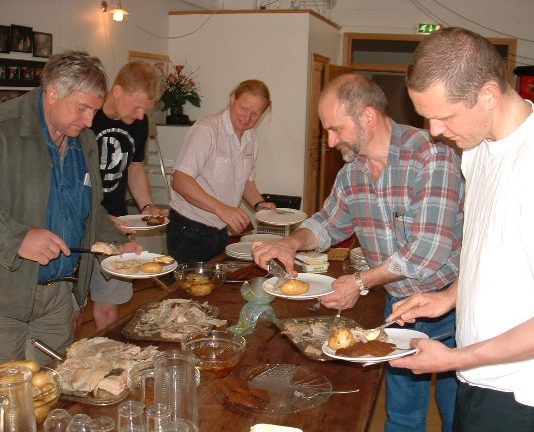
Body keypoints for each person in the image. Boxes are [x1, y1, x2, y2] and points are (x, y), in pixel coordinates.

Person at [252, 74, 464, 431]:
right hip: (399, 304)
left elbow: (427, 251)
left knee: (457, 412)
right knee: (402, 413)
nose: (331, 141)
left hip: (449, 304)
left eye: (336, 129)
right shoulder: (352, 173)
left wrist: (361, 282)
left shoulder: (431, 157)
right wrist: (290, 242)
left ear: (367, 117)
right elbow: (328, 223)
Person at [387, 27, 534, 431]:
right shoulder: (477, 150)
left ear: (487, 95)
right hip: (477, 376)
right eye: (427, 117)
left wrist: (453, 359)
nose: (434, 131)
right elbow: (491, 250)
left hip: (519, 393)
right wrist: (450, 296)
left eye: (445, 116)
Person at [0, 50, 141, 364]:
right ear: (52, 92)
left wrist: (117, 242)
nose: (90, 121)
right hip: (6, 299)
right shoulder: (5, 129)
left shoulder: (84, 140)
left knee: (52, 387)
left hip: (58, 299)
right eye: (82, 108)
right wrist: (18, 237)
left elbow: (90, 208)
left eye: (95, 110)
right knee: (9, 392)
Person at [90, 61, 168, 331]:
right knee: (72, 311)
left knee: (109, 304)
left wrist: (146, 206)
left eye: (145, 110)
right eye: (136, 107)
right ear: (117, 90)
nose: (139, 115)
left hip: (117, 224)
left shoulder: (139, 122)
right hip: (80, 220)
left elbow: (135, 167)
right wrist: (100, 217)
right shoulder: (87, 117)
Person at [167, 79, 276, 263]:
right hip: (189, 231)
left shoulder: (251, 137)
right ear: (233, 99)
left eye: (255, 114)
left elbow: (245, 181)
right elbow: (180, 180)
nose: (247, 118)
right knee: (188, 282)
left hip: (220, 231)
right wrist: (222, 209)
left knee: (217, 280)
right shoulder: (206, 130)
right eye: (243, 108)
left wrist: (259, 204)